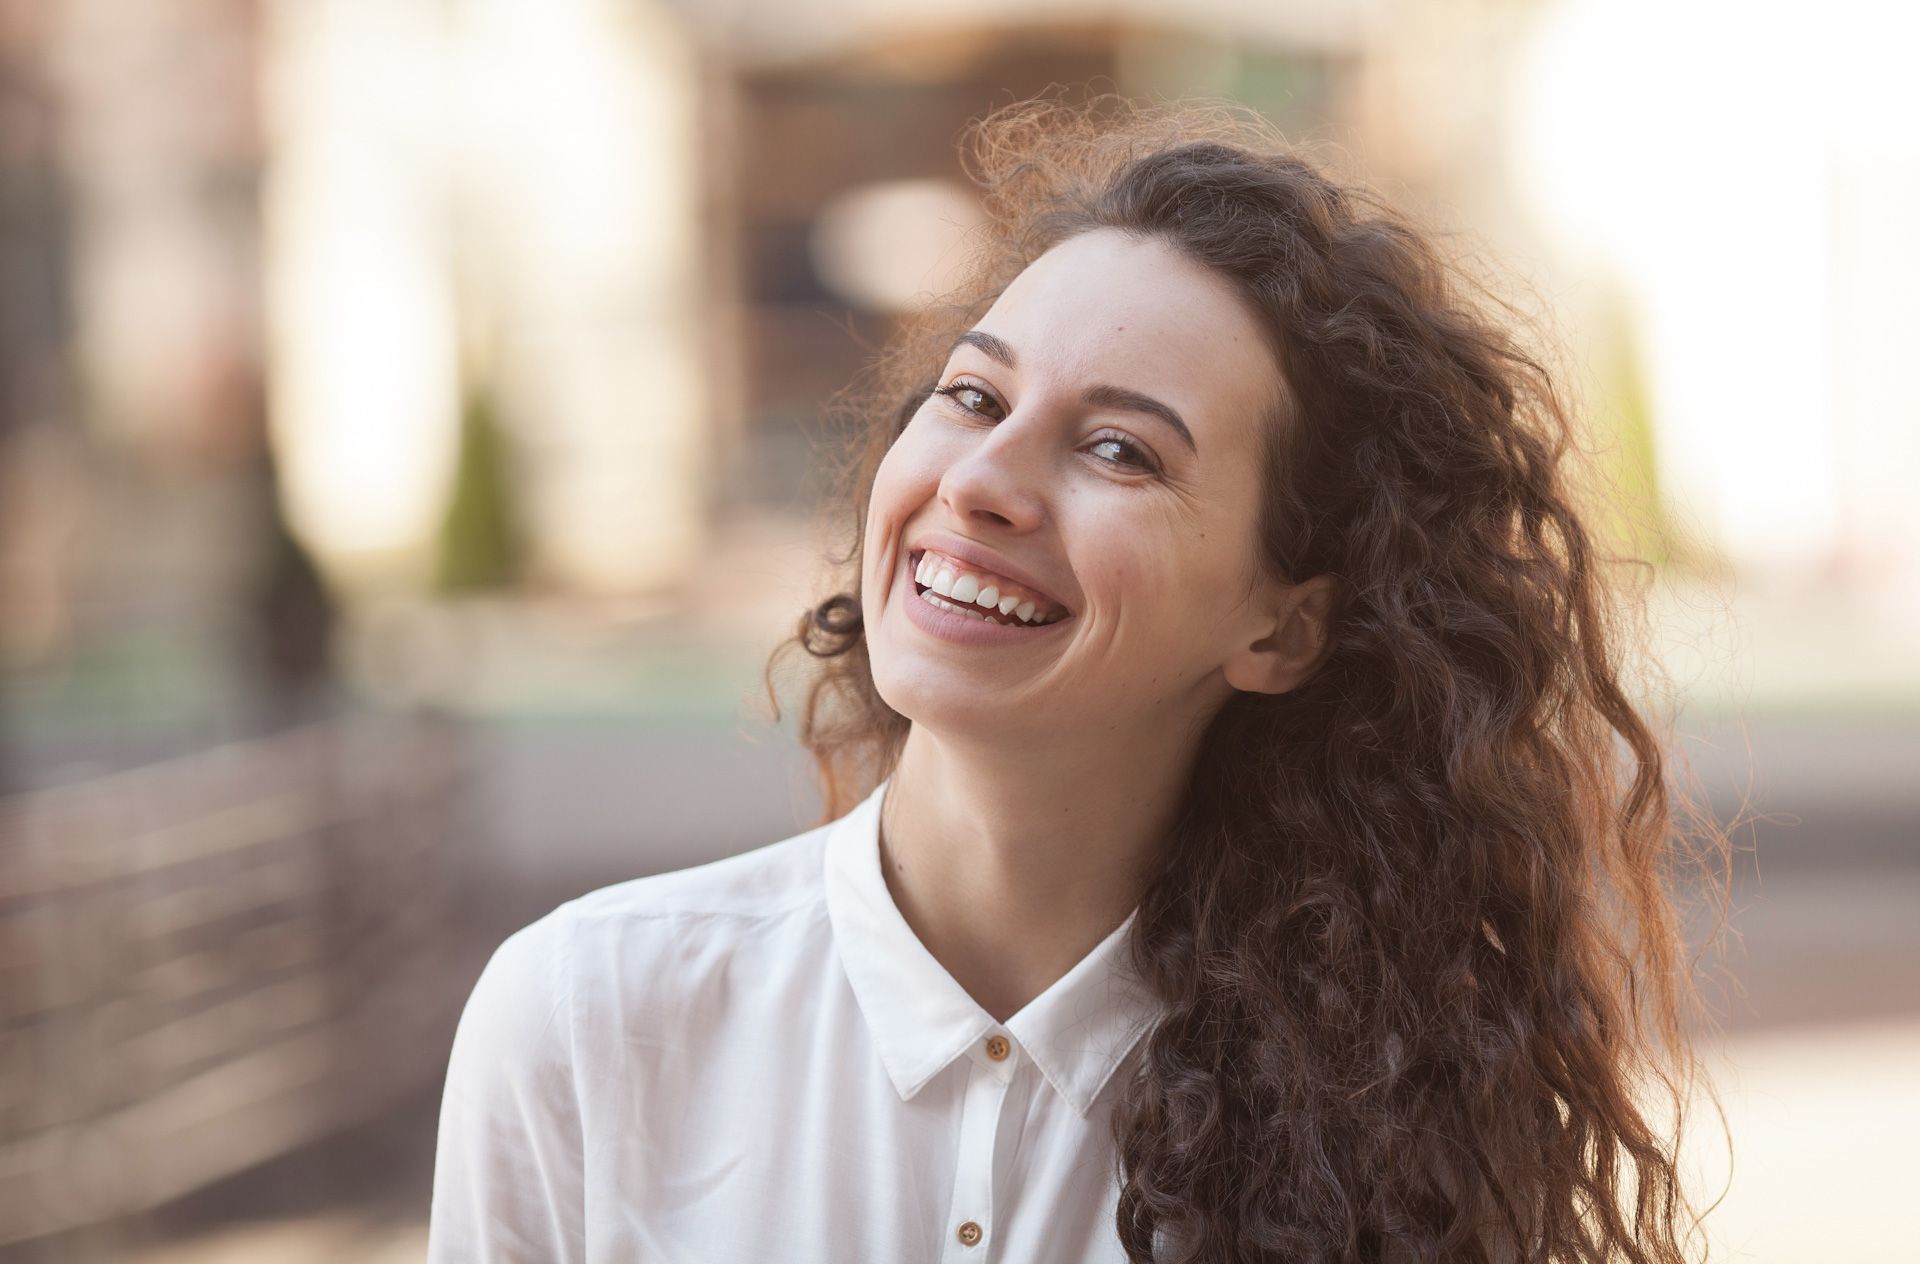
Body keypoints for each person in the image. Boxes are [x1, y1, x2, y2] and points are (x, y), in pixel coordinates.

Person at [426, 94, 1729, 1263]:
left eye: (1116, 450)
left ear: (1283, 630)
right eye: (974, 398)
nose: (981, 483)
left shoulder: (1388, 1116)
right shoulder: (589, 1020)